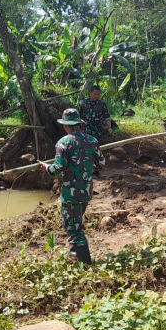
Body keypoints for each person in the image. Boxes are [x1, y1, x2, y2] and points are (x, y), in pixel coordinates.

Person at [39, 108, 105, 265]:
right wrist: (88, 170)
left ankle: (86, 264)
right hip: (86, 191)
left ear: (65, 125)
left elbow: (58, 168)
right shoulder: (92, 140)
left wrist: (46, 167)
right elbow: (101, 163)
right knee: (75, 223)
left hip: (71, 194)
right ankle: (74, 254)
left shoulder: (64, 143)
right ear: (78, 123)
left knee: (74, 229)